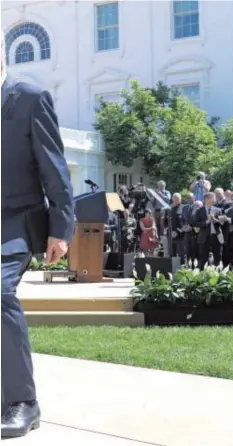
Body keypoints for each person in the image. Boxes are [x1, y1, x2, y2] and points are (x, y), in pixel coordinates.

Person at [1, 35, 75, 438]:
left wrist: (61, 229)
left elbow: (54, 167)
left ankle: (23, 402)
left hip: (15, 222)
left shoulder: (29, 97)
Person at [194, 192, 223, 269]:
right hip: (204, 238)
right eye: (213, 197)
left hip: (216, 237)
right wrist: (207, 222)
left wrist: (214, 220)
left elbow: (222, 223)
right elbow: (196, 223)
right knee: (203, 258)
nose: (215, 199)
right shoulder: (200, 210)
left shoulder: (218, 210)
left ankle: (217, 274)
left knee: (217, 257)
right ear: (207, 199)